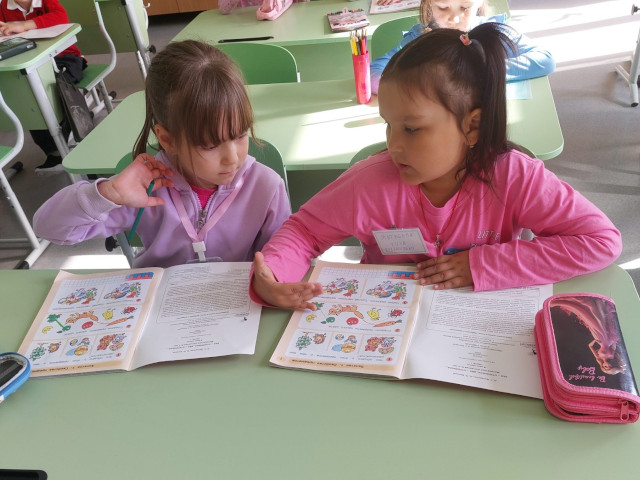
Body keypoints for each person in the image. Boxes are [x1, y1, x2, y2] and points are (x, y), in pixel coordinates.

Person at [251, 23, 621, 310]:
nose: (393, 145)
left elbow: (601, 241)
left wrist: (481, 265)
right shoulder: (370, 183)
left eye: (412, 129)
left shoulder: (514, 177)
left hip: (477, 326)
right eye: (389, 125)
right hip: (385, 324)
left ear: (472, 127)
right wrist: (274, 276)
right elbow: (304, 231)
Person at [33, 40, 291, 268]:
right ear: (168, 140)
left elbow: (283, 258)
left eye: (240, 135)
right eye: (210, 146)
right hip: (158, 300)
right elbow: (49, 229)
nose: (233, 158)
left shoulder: (266, 186)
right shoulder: (146, 188)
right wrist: (108, 194)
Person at [369, 0, 555, 94]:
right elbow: (374, 73)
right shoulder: (421, 35)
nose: (454, 19)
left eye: (465, 7)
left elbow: (545, 59)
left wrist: (485, 71)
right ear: (429, 3)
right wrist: (418, 82)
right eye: (443, 7)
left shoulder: (495, 32)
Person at [0, 0, 86, 175]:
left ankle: (78, 135)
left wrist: (24, 26)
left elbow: (61, 16)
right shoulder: (4, 7)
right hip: (29, 64)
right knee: (28, 95)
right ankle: (53, 152)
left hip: (63, 58)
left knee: (54, 89)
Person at [551, 296, 626, 375]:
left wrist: (595, 341)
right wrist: (613, 339)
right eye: (609, 366)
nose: (607, 365)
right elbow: (614, 345)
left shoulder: (598, 357)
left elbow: (590, 346)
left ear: (602, 366)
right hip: (607, 340)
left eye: (605, 367)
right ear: (613, 365)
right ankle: (592, 305)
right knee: (599, 320)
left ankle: (575, 304)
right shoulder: (611, 356)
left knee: (590, 320)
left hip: (598, 338)